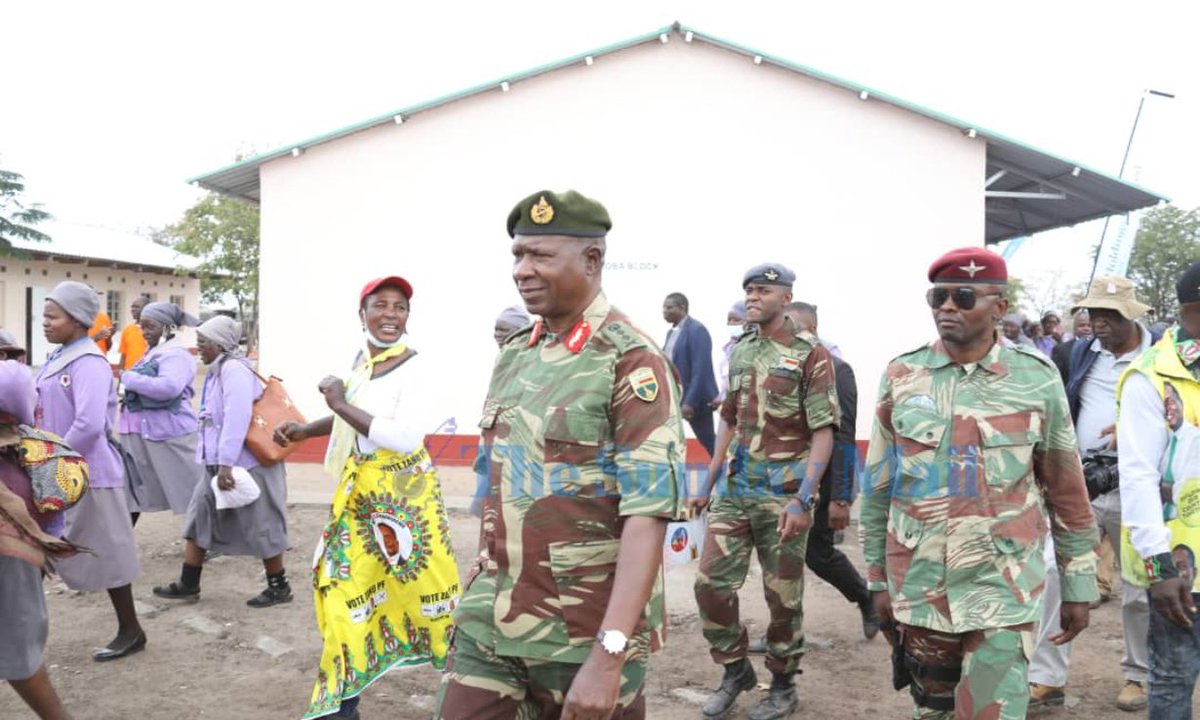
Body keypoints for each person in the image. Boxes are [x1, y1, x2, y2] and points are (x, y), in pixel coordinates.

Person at [434, 190, 683, 720]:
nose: (522, 270)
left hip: (582, 626)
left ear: (591, 260)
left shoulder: (631, 360)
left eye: (540, 256)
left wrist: (610, 653)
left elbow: (648, 513)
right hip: (494, 614)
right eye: (518, 256)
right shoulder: (516, 352)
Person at [860, 247, 1099, 719]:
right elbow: (879, 488)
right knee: (933, 712)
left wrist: (1078, 583)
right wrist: (876, 579)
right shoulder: (904, 375)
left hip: (1004, 588)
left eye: (963, 296)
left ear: (999, 308)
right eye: (939, 297)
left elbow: (1066, 487)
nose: (947, 307)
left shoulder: (1035, 378)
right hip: (922, 584)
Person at [273, 276, 460, 720]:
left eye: (400, 307)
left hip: (405, 503)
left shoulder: (415, 367)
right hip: (360, 499)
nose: (391, 314)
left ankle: (476, 691)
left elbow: (404, 435)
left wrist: (338, 404)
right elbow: (358, 414)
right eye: (381, 305)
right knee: (342, 590)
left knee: (432, 600)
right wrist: (307, 429)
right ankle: (342, 704)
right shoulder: (363, 362)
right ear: (363, 314)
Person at [687, 264, 839, 720]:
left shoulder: (811, 354)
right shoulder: (742, 350)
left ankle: (783, 684)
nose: (752, 297)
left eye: (762, 290)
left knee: (782, 596)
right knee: (710, 583)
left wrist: (804, 497)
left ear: (786, 296)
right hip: (737, 486)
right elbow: (729, 418)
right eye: (749, 291)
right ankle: (735, 669)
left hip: (784, 493)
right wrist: (709, 478)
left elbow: (824, 431)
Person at [1027, 276, 1154, 709]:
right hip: (1079, 484)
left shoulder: (1161, 358)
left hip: (1140, 489)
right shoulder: (1075, 353)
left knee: (1139, 585)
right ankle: (1047, 678)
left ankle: (1139, 675)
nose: (1099, 323)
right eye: (1093, 314)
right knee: (1053, 572)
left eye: (1110, 316)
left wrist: (1137, 427)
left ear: (1132, 316)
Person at [35, 281, 146, 661]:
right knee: (35, 547)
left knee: (108, 554)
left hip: (86, 474)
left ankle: (131, 630)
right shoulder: (59, 358)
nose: (45, 323)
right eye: (44, 316)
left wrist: (52, 464)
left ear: (78, 320)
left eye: (53, 316)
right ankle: (18, 634)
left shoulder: (89, 363)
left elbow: (88, 425)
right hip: (55, 469)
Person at [153, 315, 292, 607]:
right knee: (199, 518)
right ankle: (188, 583)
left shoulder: (234, 371)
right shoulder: (218, 371)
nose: (199, 348)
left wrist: (227, 464)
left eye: (204, 343)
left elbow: (236, 420)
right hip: (218, 463)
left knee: (262, 523)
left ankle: (279, 587)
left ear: (221, 344)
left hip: (245, 465)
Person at [1117, 260, 1200, 717]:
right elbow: (1138, 476)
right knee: (1173, 678)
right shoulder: (1151, 376)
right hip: (1182, 565)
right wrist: (1160, 566)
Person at [1, 357, 78, 719]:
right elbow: (55, 509)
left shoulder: (29, 450)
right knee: (19, 646)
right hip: (17, 564)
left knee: (17, 649)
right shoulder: (40, 450)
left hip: (13, 563)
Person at [119, 302, 204, 526]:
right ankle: (121, 542)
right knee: (132, 492)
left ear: (167, 328)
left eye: (150, 327)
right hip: (141, 435)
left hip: (170, 435)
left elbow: (168, 388)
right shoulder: (153, 352)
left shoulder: (176, 355)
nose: (145, 332)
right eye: (142, 327)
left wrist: (129, 378)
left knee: (193, 489)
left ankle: (206, 543)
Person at [662, 292, 719, 457]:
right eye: (663, 308)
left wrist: (689, 402)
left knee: (708, 441)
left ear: (682, 308)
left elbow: (701, 369)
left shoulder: (697, 330)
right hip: (674, 397)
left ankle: (727, 473)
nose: (664, 312)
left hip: (695, 401)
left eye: (669, 307)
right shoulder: (671, 333)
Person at [712, 301, 747, 412]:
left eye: (737, 320)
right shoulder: (729, 348)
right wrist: (720, 397)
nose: (731, 323)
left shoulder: (750, 347)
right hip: (727, 405)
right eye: (729, 320)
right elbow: (726, 378)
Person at [1052, 310, 1091, 385]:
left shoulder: (1100, 349)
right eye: (1082, 325)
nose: (1086, 328)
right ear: (1074, 329)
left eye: (1089, 325)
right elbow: (1057, 379)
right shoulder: (1061, 350)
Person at [117, 296, 150, 371]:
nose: (133, 310)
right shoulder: (127, 330)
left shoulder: (154, 331)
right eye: (132, 307)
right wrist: (121, 375)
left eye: (137, 307)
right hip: (129, 375)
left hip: (147, 376)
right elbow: (123, 355)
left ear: (146, 309)